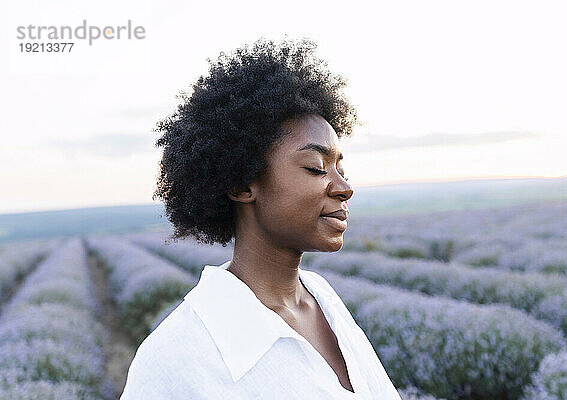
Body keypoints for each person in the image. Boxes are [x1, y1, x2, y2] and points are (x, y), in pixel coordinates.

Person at [120, 36, 402, 399]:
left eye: (340, 166)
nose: (344, 187)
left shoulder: (323, 300)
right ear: (241, 184)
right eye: (316, 168)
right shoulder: (175, 358)